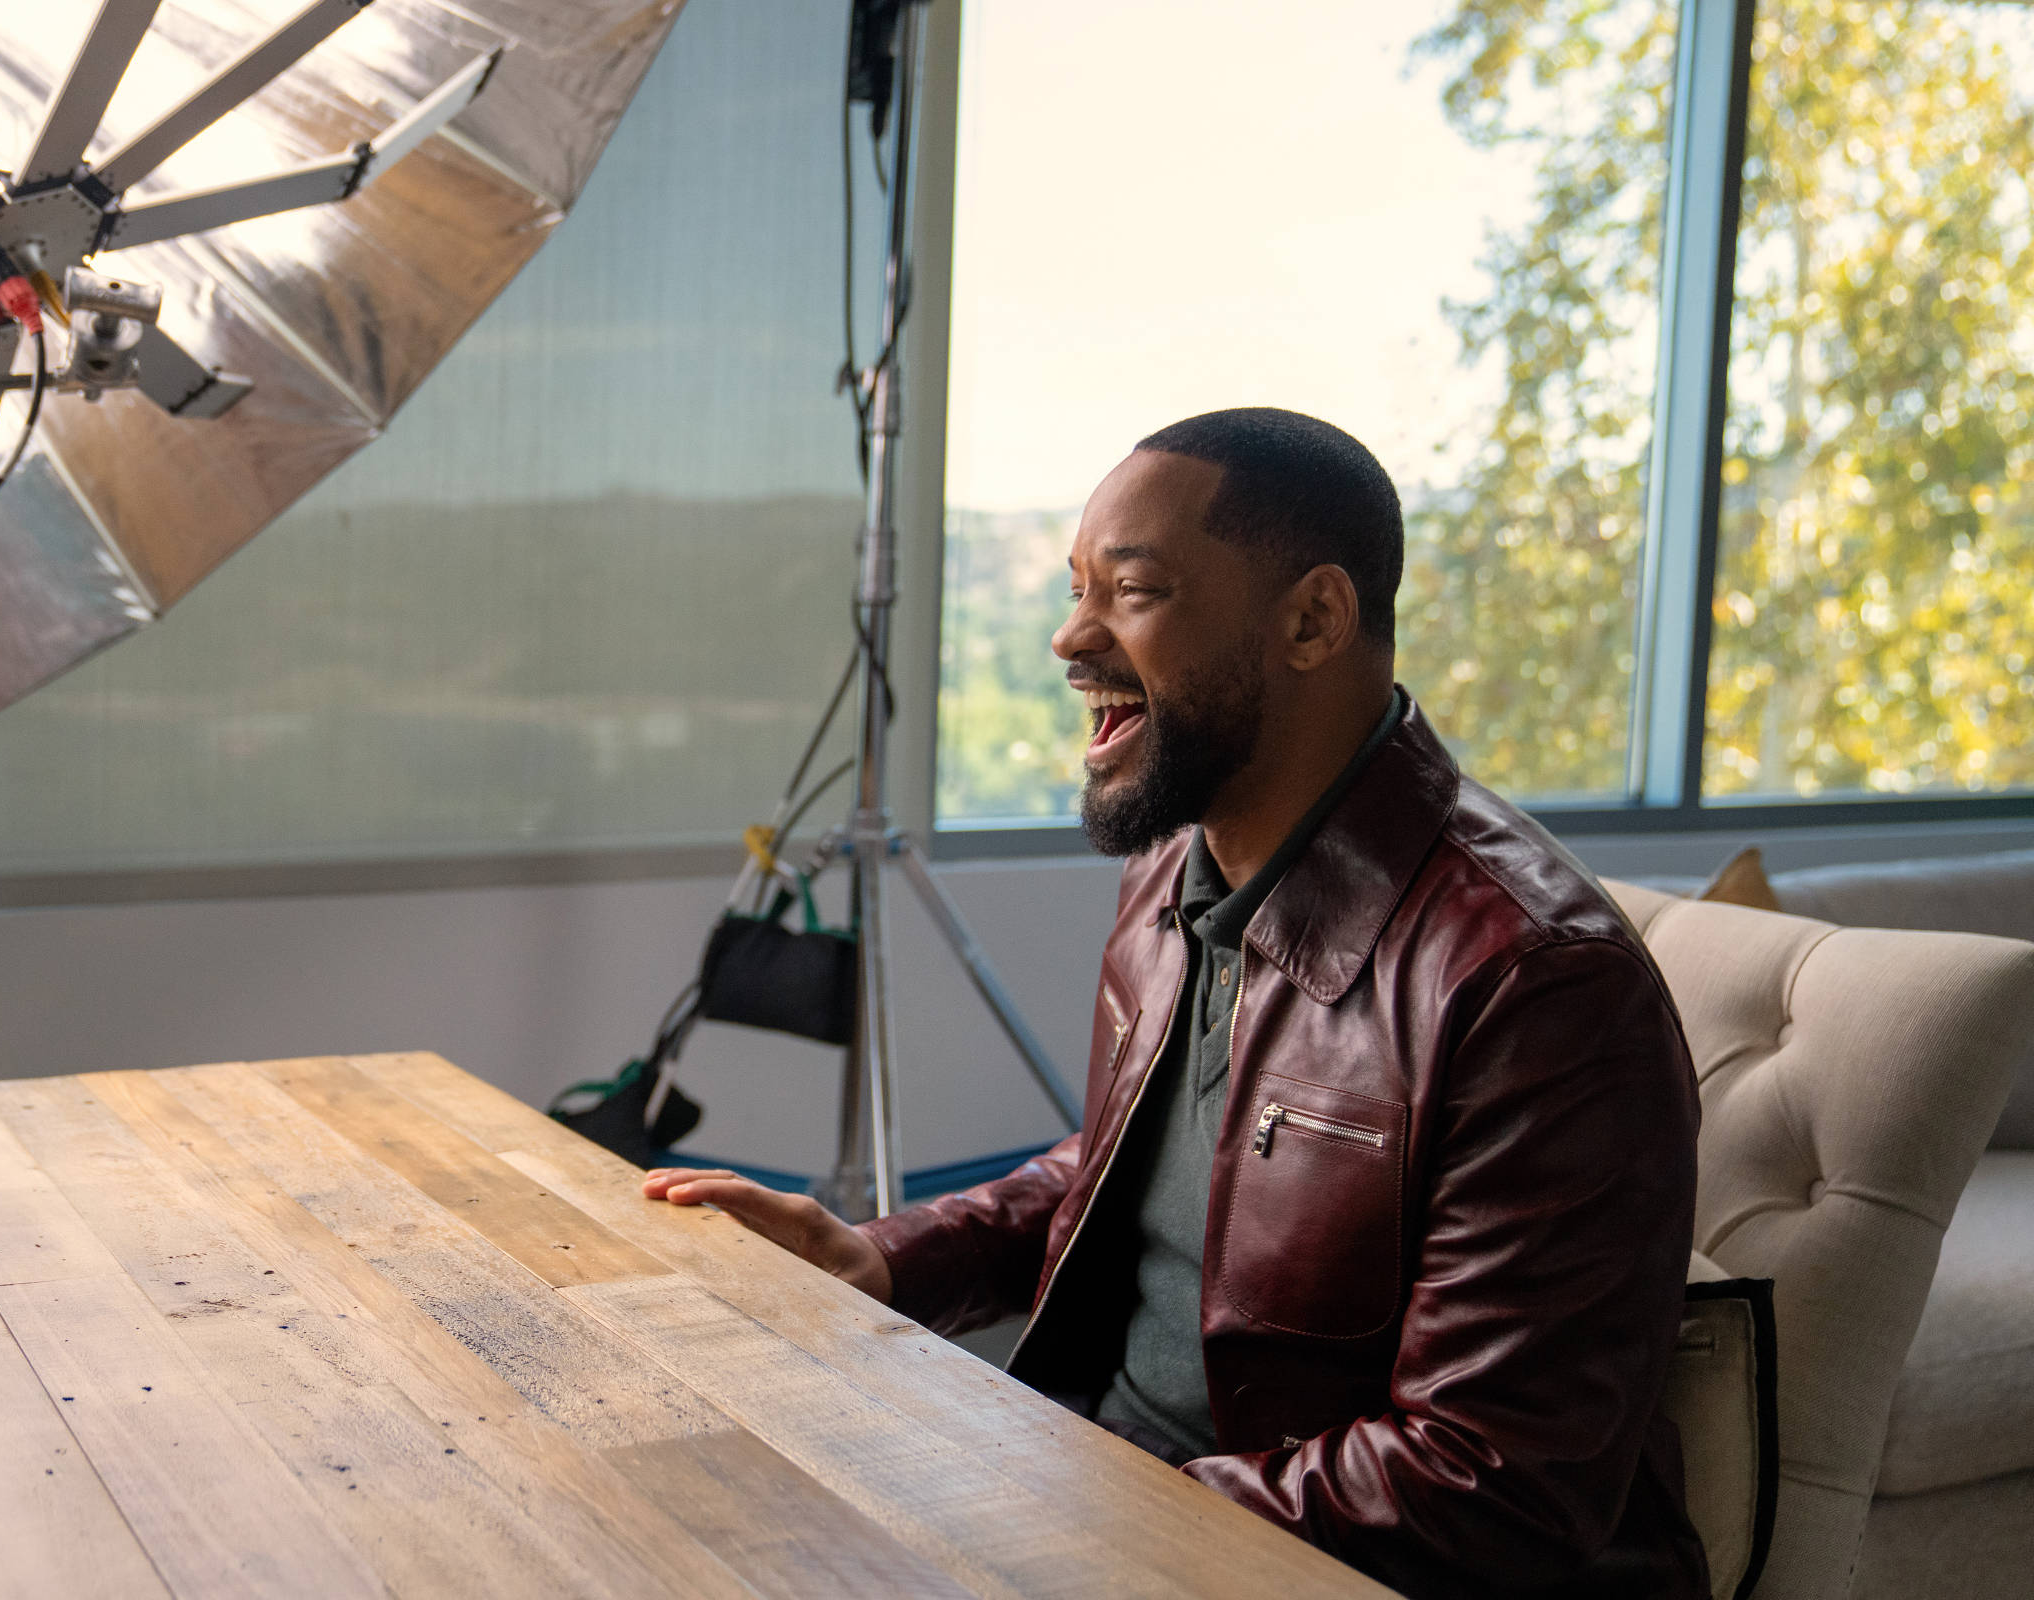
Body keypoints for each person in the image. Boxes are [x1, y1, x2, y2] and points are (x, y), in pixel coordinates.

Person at [643, 408, 1707, 1599]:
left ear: (1312, 619)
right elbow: (1122, 1165)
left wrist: (1070, 1504)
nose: (1068, 636)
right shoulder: (1180, 861)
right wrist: (887, 1257)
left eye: (1132, 592)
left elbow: (1492, 1485)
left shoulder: (1535, 986)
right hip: (1112, 1505)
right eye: (1076, 587)